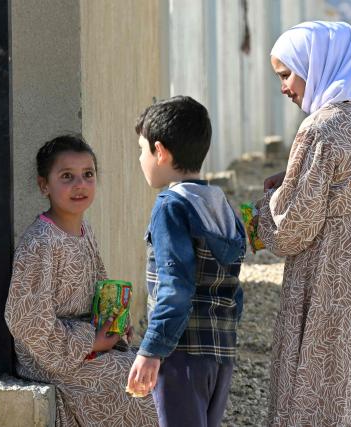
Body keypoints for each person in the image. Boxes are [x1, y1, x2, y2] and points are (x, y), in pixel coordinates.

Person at [258, 21, 351, 426]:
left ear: (316, 64)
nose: (284, 87)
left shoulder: (320, 126)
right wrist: (294, 181)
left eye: (286, 74)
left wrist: (265, 206)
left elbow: (292, 226)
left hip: (328, 261)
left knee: (316, 369)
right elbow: (343, 185)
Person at [4, 135, 158, 426]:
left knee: (156, 372)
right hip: (53, 361)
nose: (80, 185)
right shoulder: (41, 242)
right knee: (142, 392)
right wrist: (92, 341)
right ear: (43, 185)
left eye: (88, 175)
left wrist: (115, 324)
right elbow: (26, 321)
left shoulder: (84, 230)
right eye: (67, 177)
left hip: (89, 348)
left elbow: (101, 289)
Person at [126, 96, 247, 427]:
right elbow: (234, 290)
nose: (141, 159)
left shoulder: (170, 207)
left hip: (181, 353)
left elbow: (175, 287)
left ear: (161, 151)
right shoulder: (222, 205)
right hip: (221, 352)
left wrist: (152, 350)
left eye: (142, 150)